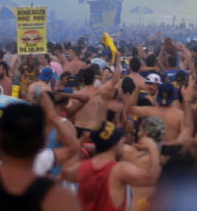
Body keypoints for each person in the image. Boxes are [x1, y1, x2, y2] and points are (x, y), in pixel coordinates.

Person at [62, 80, 161, 211]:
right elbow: (151, 177)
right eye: (119, 139)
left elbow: (65, 172)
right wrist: (153, 148)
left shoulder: (81, 168)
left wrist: (81, 140)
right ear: (113, 145)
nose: (123, 140)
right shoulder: (119, 170)